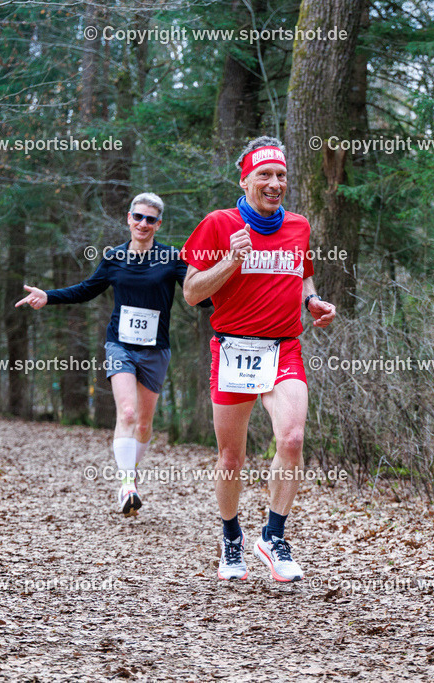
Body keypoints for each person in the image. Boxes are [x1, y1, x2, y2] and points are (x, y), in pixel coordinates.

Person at [182, 136, 336, 582]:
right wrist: (230, 260)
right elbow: (192, 293)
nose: (274, 183)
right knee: (231, 456)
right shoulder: (218, 223)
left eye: (281, 175)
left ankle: (273, 535)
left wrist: (314, 302)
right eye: (264, 175)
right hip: (232, 348)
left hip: (283, 346)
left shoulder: (299, 226)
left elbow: (304, 274)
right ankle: (231, 539)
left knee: (291, 438)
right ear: (245, 178)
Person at [16, 192, 206, 515]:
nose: (143, 223)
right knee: (128, 413)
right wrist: (48, 295)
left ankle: (128, 475)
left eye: (150, 219)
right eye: (138, 217)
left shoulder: (173, 258)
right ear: (128, 219)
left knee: (144, 424)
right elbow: (87, 289)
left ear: (158, 224)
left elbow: (198, 297)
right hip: (119, 344)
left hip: (155, 350)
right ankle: (127, 485)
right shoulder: (114, 258)